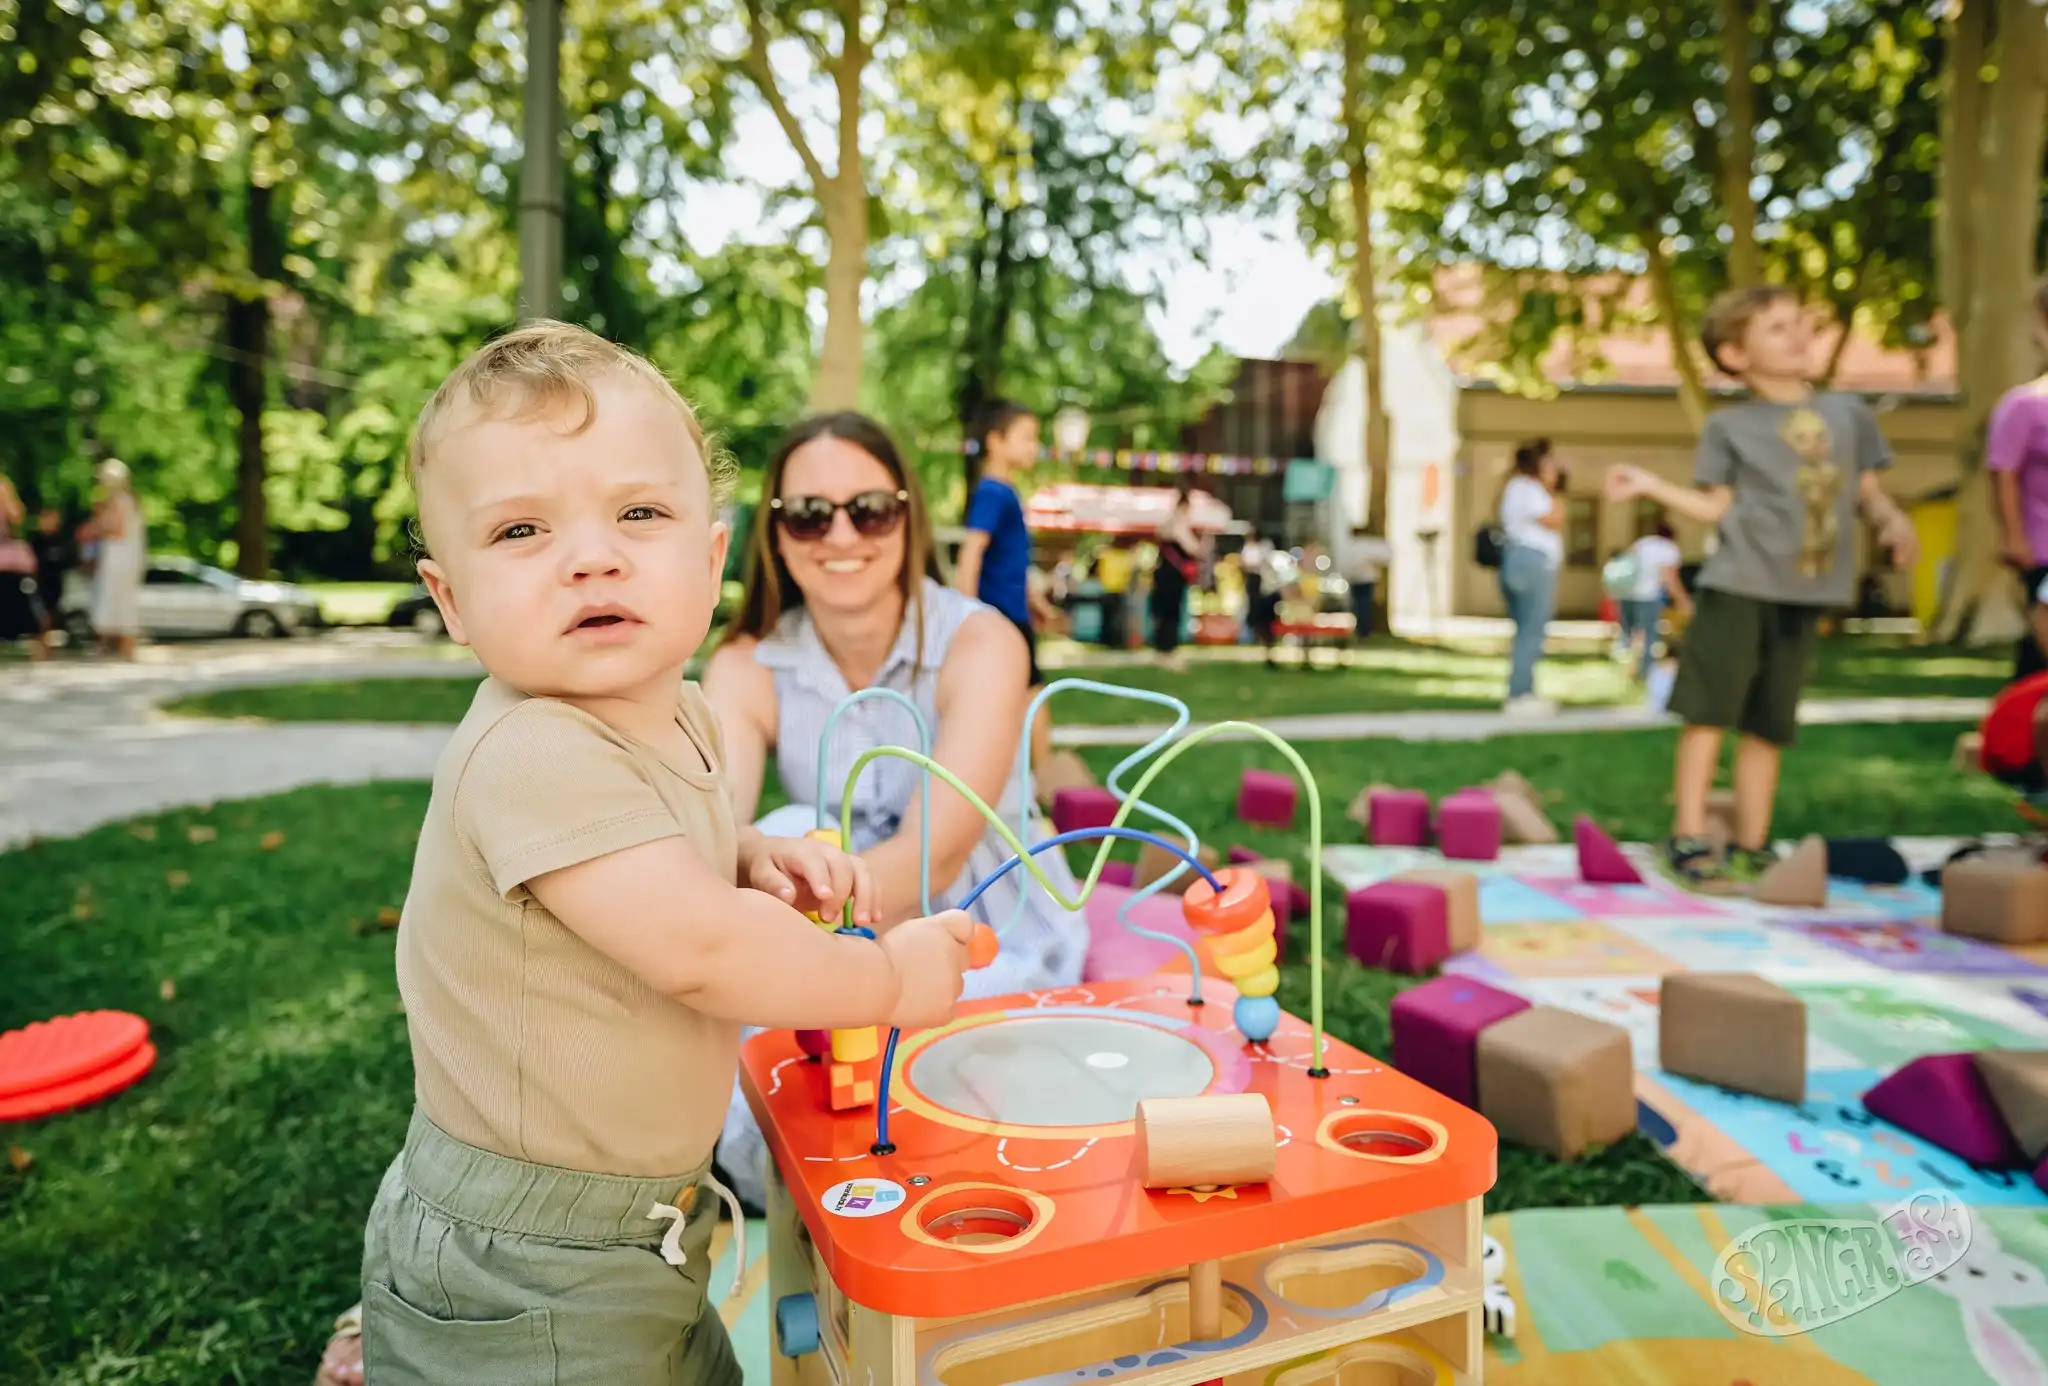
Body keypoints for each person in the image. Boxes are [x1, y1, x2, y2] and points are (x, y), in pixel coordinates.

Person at [336, 323, 975, 1386]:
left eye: (639, 513)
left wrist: (744, 850)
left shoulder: (682, 717)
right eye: (521, 531)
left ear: (712, 558)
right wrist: (888, 977)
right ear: (449, 598)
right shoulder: (530, 747)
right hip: (523, 1267)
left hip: (644, 1226)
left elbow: (663, 850)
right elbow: (698, 951)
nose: (593, 555)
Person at [703, 411, 1091, 1216]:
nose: (840, 534)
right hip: (815, 924)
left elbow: (932, 863)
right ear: (774, 536)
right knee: (792, 825)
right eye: (809, 513)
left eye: (869, 509)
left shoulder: (983, 641)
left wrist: (787, 935)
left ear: (907, 517)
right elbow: (718, 834)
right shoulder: (746, 665)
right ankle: (795, 1206)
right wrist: (763, 877)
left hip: (981, 917)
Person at [1607, 284, 1917, 888]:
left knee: (1770, 722)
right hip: (1738, 586)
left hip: (1806, 595)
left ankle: (1752, 844)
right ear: (1734, 356)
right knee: (1708, 713)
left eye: (1801, 321)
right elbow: (1714, 507)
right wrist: (1648, 484)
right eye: (1777, 328)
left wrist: (1893, 522)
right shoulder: (1730, 427)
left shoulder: (1849, 416)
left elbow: (1866, 492)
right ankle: (1689, 837)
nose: (1798, 334)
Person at [954, 399, 1051, 767]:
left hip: (1012, 611)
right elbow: (971, 553)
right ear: (995, 441)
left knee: (1022, 693)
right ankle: (1044, 776)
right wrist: (965, 613)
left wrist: (1033, 599)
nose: (1033, 447)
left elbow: (1010, 559)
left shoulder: (1004, 492)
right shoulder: (994, 492)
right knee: (1032, 695)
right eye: (1026, 438)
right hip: (1000, 616)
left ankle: (1028, 771)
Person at [1989, 278, 2048, 683]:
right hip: (2042, 551)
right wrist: (2015, 537)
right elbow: (2003, 473)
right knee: (2038, 661)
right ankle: (2016, 742)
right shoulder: (2023, 406)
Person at [1496, 438, 1564, 715]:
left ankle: (1522, 689)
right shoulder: (1530, 488)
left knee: (1525, 628)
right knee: (1531, 629)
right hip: (1533, 563)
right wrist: (1558, 490)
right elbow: (1555, 518)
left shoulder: (1514, 488)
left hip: (1517, 561)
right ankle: (1521, 695)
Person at [1616, 519, 1691, 682]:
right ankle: (1646, 674)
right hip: (1648, 596)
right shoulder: (1669, 549)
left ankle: (1624, 667)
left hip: (1627, 594)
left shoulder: (1642, 544)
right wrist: (1683, 600)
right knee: (1649, 635)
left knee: (1630, 634)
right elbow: (1669, 579)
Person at [85, 458, 143, 659]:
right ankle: (115, 645)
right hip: (119, 557)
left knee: (118, 598)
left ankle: (124, 646)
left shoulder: (121, 502)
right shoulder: (127, 501)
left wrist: (97, 528)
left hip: (119, 557)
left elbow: (117, 531)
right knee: (115, 599)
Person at [1149, 486, 1205, 668]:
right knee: (1171, 614)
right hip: (1173, 576)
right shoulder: (1179, 523)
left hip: (1162, 573)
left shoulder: (1166, 522)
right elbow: (1193, 548)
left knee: (1162, 613)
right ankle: (1168, 652)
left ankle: (1161, 650)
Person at [0, 475, 48, 660]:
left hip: (8, 564)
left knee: (25, 605)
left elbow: (17, 517)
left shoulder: (5, 493)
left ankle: (41, 650)